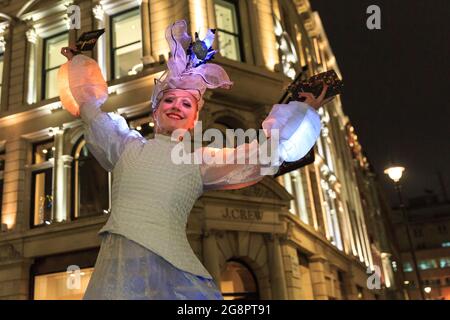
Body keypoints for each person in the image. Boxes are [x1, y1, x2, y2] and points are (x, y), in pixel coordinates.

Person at [59, 20, 329, 300]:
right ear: (156, 110)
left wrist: (302, 111)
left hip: (175, 273)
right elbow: (90, 110)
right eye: (169, 101)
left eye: (186, 104)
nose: (177, 106)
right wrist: (77, 64)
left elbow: (263, 153)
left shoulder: (199, 160)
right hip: (118, 269)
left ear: (193, 120)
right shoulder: (126, 145)